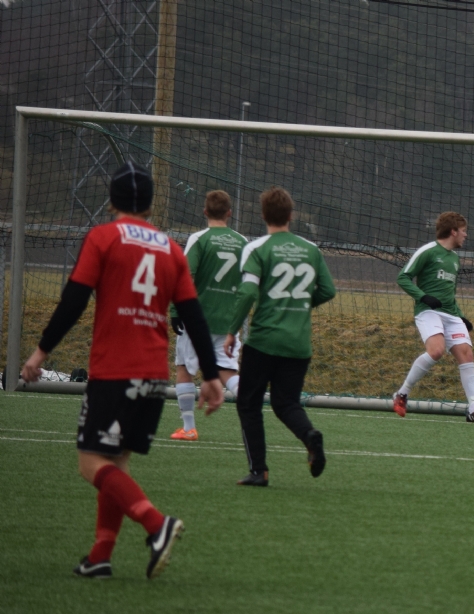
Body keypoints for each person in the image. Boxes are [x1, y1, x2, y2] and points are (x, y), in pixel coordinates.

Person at [20, 161, 224, 579]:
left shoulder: (103, 237)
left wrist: (41, 351)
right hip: (153, 376)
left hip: (115, 370)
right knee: (116, 462)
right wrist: (210, 375)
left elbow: (74, 299)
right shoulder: (170, 249)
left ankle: (156, 524)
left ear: (111, 201)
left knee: (90, 463)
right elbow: (193, 315)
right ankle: (101, 554)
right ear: (149, 205)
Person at [226, 186, 336, 486]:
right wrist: (300, 306)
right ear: (291, 215)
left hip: (264, 340)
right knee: (286, 403)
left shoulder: (257, 248)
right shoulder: (310, 249)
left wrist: (232, 330)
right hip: (298, 343)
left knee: (249, 403)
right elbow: (328, 290)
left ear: (263, 215)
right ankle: (309, 435)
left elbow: (248, 292)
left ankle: (258, 471)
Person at [392, 212, 474, 424]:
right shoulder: (428, 251)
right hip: (428, 311)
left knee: (466, 355)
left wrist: (461, 317)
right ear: (453, 231)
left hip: (451, 314)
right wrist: (423, 297)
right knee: (436, 351)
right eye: (463, 231)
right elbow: (403, 277)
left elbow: (450, 293)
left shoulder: (455, 258)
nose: (465, 235)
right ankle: (402, 394)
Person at [169, 190, 247, 441]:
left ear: (205, 211)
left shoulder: (199, 239)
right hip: (228, 322)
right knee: (227, 372)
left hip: (198, 319)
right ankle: (252, 412)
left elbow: (184, 274)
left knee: (184, 368)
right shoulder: (243, 242)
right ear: (229, 213)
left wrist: (175, 310)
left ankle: (189, 428)